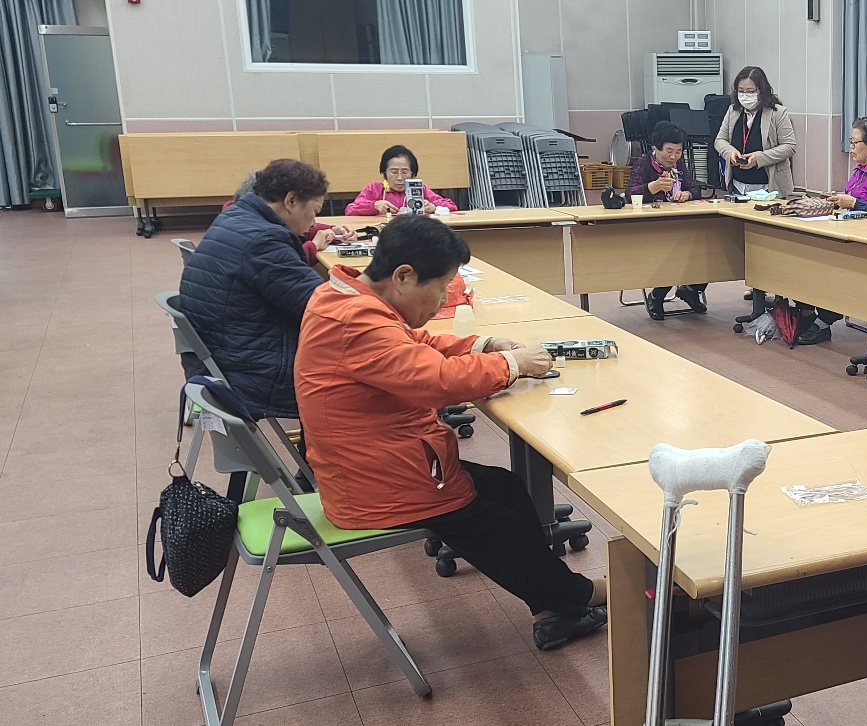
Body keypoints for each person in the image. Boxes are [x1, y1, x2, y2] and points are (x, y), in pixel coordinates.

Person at [295, 214, 607, 651]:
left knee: (506, 487)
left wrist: (485, 345)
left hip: (372, 462)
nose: (443, 299)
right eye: (441, 288)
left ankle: (554, 609)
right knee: (499, 526)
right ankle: (579, 595)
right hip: (377, 485)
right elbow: (437, 380)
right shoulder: (357, 321)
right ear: (404, 276)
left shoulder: (346, 297)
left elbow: (412, 346)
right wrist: (512, 364)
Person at [180, 158, 328, 420]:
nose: (314, 221)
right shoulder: (263, 241)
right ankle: (323, 446)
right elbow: (322, 307)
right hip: (251, 372)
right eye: (314, 210)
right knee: (358, 374)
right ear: (291, 201)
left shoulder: (235, 217)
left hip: (222, 356)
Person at [794, 116, 867, 346]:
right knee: (804, 256)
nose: (851, 147)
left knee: (835, 269)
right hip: (849, 235)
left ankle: (822, 322)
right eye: (851, 141)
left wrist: (854, 203)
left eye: (855, 142)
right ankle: (806, 312)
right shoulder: (860, 170)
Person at [628, 121, 706, 320]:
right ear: (656, 148)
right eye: (669, 151)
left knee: (706, 248)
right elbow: (629, 194)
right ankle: (657, 295)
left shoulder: (679, 165)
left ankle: (691, 289)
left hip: (680, 223)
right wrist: (652, 187)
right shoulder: (644, 164)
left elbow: (695, 189)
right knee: (674, 253)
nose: (673, 157)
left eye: (678, 152)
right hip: (651, 226)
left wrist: (687, 194)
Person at [227, 172, 354, 266]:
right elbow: (286, 262)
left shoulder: (236, 219)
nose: (313, 223)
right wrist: (313, 246)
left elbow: (297, 229)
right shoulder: (260, 236)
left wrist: (333, 230)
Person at [712, 66, 797, 197]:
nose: (745, 96)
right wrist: (730, 153)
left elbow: (789, 146)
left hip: (768, 187)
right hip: (737, 185)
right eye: (741, 91)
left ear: (761, 91)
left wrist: (758, 158)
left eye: (750, 91)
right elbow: (720, 140)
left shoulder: (778, 113)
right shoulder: (733, 111)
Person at [344, 144, 459, 216]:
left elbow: (451, 206)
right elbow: (350, 209)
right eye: (394, 172)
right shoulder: (374, 188)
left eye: (405, 172)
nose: (399, 178)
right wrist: (374, 205)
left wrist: (434, 207)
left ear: (412, 173)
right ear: (384, 173)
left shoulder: (419, 189)